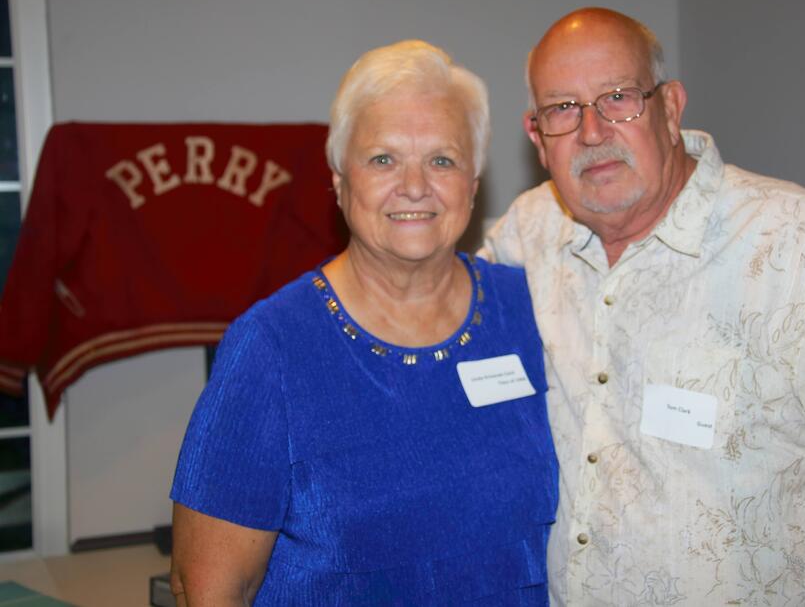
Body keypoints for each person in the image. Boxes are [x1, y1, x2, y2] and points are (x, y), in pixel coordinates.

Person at [482, 7, 805, 605]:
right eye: (562, 109)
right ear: (536, 137)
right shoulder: (528, 233)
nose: (592, 131)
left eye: (619, 98)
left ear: (670, 108)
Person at [170, 40, 558, 605]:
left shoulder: (527, 310)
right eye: (383, 159)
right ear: (338, 181)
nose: (415, 186)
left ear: (473, 186)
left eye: (442, 160)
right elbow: (207, 589)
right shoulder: (271, 347)